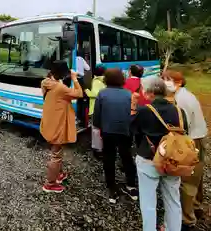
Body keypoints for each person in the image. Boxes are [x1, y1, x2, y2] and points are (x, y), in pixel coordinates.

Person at [131, 76, 188, 231]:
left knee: (148, 202)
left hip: (149, 159)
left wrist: (132, 109)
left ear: (149, 93)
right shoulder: (179, 111)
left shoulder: (144, 111)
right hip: (174, 160)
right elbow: (185, 133)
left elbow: (133, 131)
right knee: (173, 200)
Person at [163, 71, 208, 231]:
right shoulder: (186, 95)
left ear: (180, 82)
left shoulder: (180, 100)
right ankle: (196, 206)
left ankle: (186, 219)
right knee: (197, 176)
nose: (164, 82)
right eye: (163, 79)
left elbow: (181, 127)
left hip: (189, 141)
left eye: (168, 80)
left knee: (186, 179)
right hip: (197, 138)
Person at [93, 68, 138, 203]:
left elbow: (97, 116)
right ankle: (131, 185)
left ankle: (112, 188)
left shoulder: (102, 94)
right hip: (125, 131)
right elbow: (133, 113)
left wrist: (99, 127)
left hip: (108, 131)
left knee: (109, 158)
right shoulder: (128, 94)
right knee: (127, 157)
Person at [40, 61, 83, 193]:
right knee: (56, 155)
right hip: (57, 125)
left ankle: (58, 174)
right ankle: (50, 184)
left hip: (50, 121)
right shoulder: (59, 88)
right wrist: (75, 79)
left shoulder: (45, 82)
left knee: (57, 152)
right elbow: (79, 93)